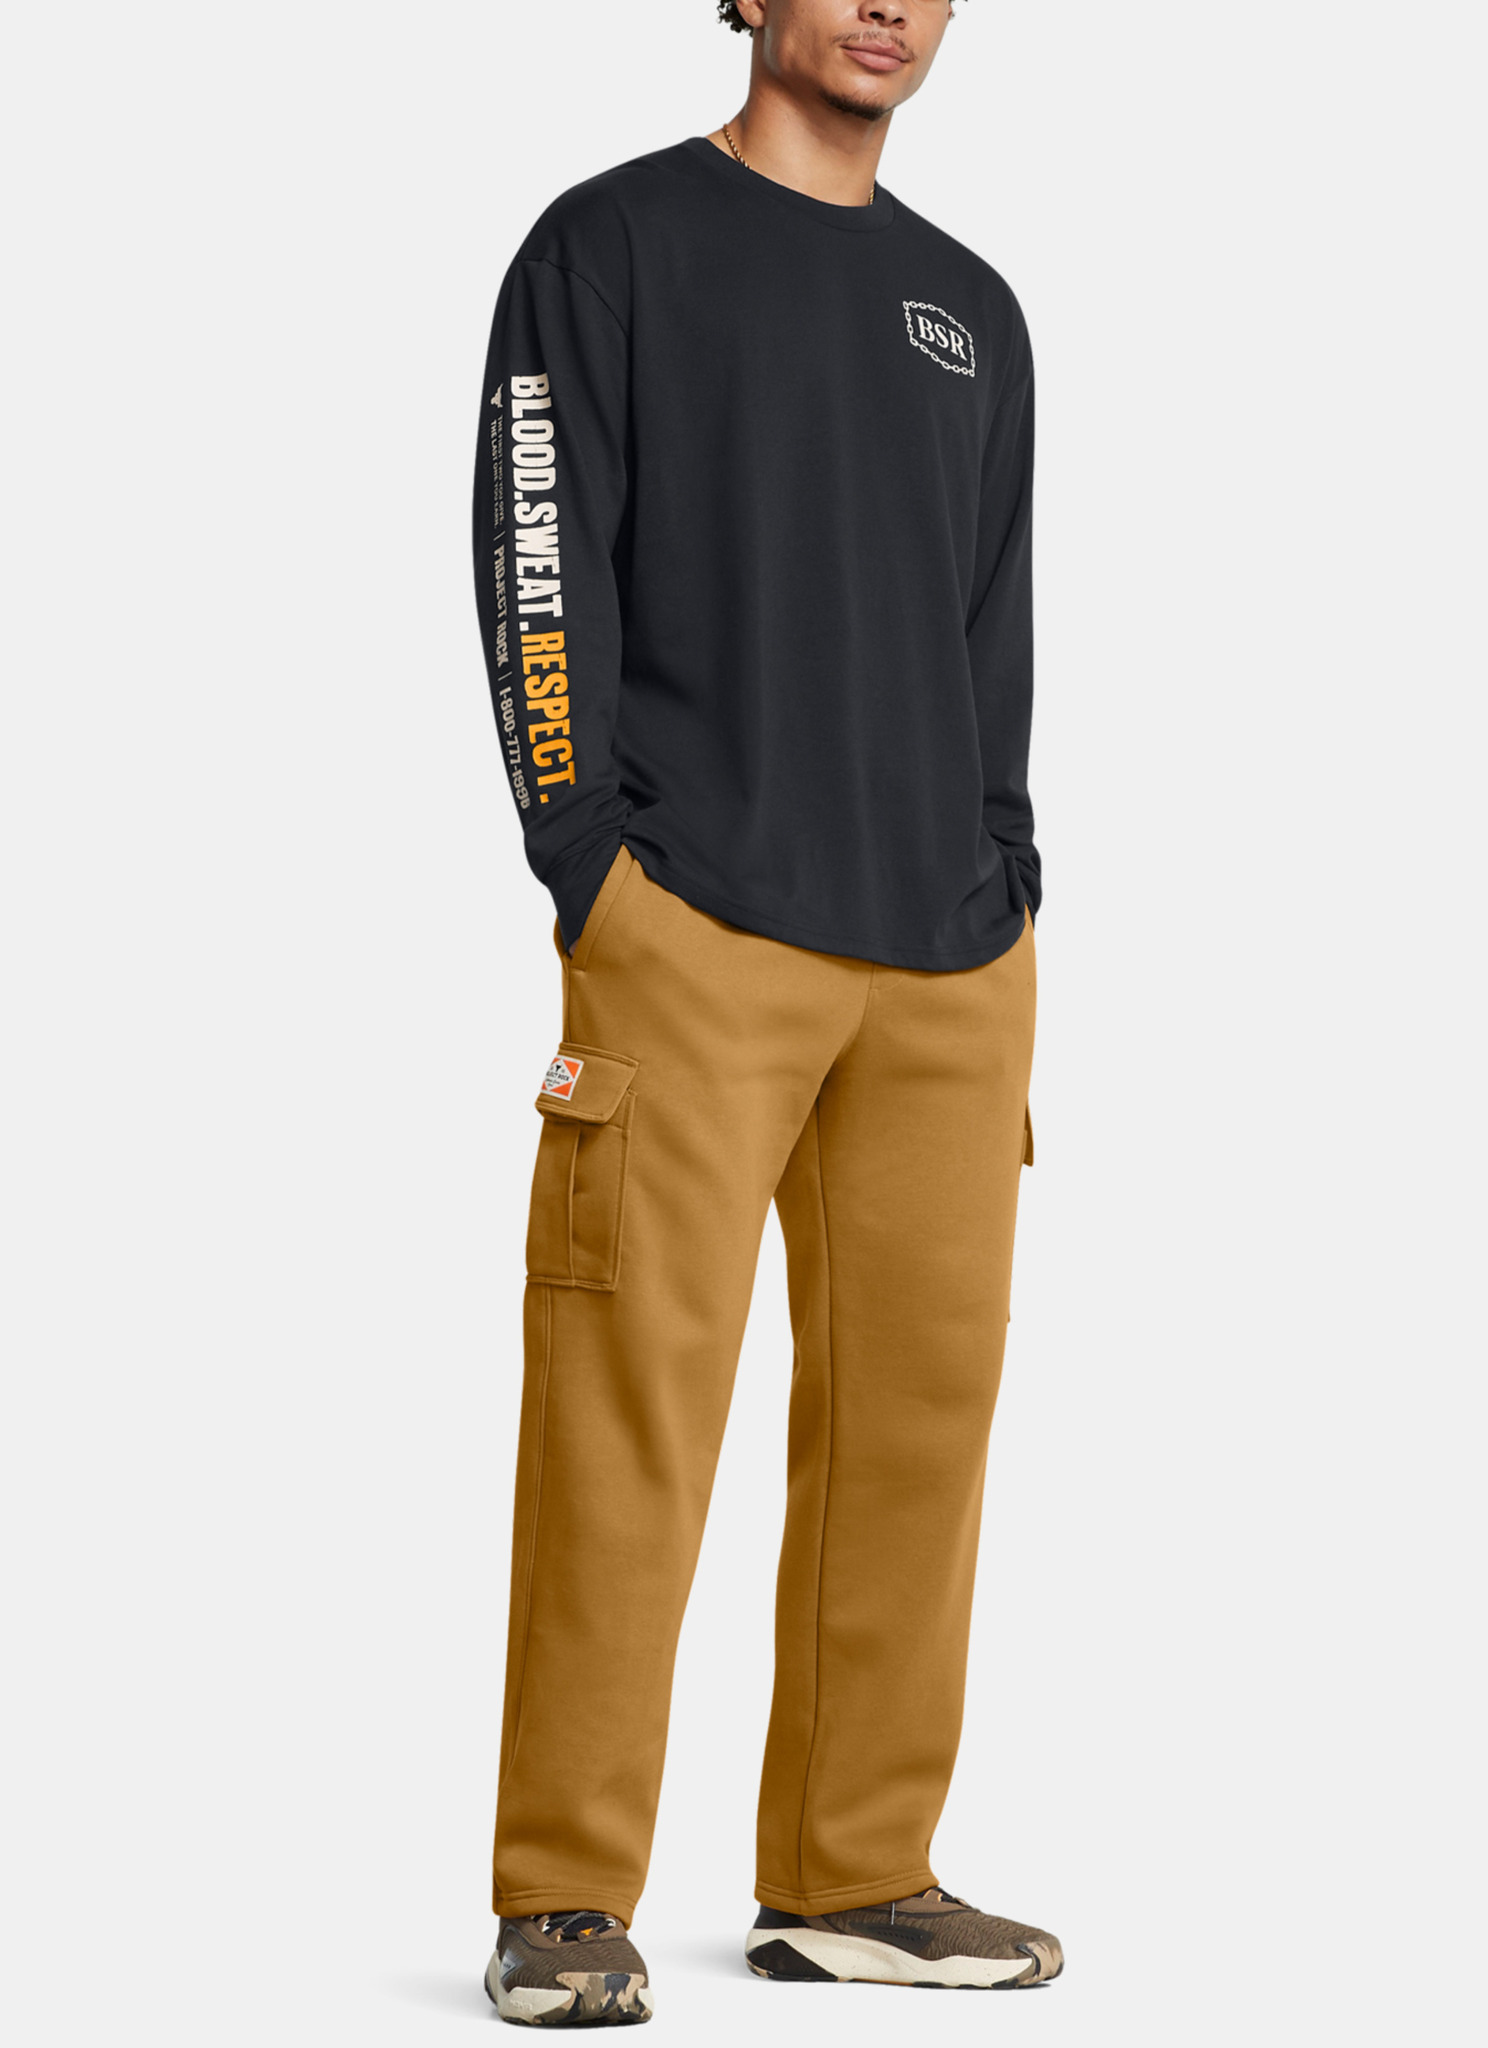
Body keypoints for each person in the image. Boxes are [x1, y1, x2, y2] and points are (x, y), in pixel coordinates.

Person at [470, 0, 1059, 2024]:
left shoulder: (973, 312)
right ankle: (564, 1894)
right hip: (693, 927)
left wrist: (1006, 868)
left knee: (919, 1428)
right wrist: (587, 860)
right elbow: (539, 549)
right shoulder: (611, 246)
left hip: (950, 961)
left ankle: (855, 1871)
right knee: (627, 1411)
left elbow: (993, 621)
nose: (891, 6)